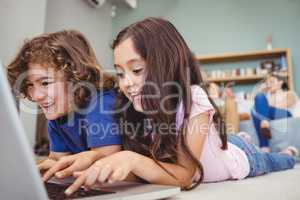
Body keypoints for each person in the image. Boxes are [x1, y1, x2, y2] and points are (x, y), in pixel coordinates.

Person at [64, 18, 296, 196]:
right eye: (120, 72)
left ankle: (289, 152)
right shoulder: (133, 106)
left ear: (167, 64)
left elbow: (186, 176)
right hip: (212, 147)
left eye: (136, 70)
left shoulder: (194, 98)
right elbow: (155, 167)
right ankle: (237, 139)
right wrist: (95, 160)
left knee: (275, 161)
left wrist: (131, 159)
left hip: (241, 158)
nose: (126, 83)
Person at [7, 30, 121, 182]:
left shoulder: (101, 103)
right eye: (30, 85)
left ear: (76, 78)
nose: (36, 96)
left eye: (45, 83)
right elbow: (58, 161)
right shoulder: (58, 115)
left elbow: (106, 165)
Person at [252, 73, 300, 152]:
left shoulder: (289, 93)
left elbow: (284, 105)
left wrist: (265, 107)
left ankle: (264, 143)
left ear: (280, 82)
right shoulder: (266, 97)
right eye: (267, 83)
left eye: (271, 82)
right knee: (259, 96)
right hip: (269, 116)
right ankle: (265, 147)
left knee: (257, 109)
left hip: (285, 114)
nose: (268, 85)